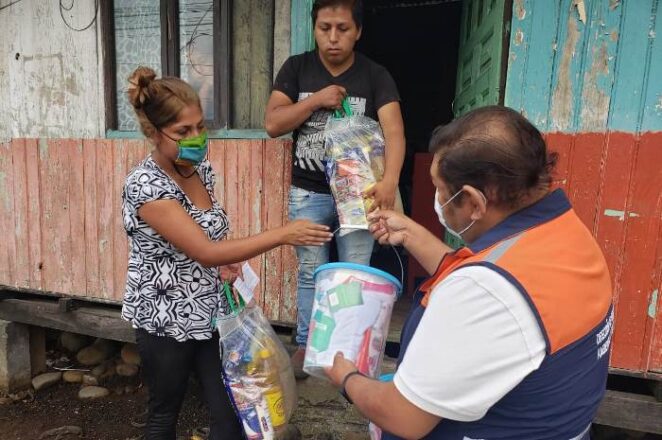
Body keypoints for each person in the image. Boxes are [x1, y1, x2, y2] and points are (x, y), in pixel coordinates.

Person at [324, 106, 613, 439]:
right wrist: (412, 234)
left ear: (475, 203)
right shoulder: (563, 231)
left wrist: (348, 378)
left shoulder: (485, 292)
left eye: (441, 192)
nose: (437, 200)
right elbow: (495, 276)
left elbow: (404, 416)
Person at [122, 66, 332, 440]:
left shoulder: (198, 168)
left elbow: (206, 235)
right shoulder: (146, 185)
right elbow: (204, 250)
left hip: (213, 313)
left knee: (233, 412)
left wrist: (227, 262)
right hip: (166, 315)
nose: (198, 137)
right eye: (184, 131)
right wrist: (284, 233)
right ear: (154, 133)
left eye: (201, 126)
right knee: (164, 415)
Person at [264, 0, 406, 377]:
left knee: (354, 273)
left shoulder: (376, 76)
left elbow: (395, 132)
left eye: (342, 28)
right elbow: (273, 123)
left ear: (358, 31)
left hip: (359, 195)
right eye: (325, 27)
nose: (332, 37)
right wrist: (316, 100)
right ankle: (307, 345)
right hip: (308, 193)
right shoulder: (296, 68)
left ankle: (346, 350)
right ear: (314, 28)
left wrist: (389, 180)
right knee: (312, 272)